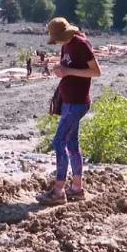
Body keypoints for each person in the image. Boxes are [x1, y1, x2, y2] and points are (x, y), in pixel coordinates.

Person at [37, 18, 102, 206]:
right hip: (68, 101)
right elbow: (69, 68)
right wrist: (61, 70)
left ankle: (58, 191)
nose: (56, 42)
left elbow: (96, 71)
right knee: (72, 144)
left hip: (77, 103)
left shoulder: (81, 44)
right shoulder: (66, 45)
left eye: (56, 39)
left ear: (64, 34)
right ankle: (77, 188)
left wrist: (68, 71)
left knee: (59, 141)